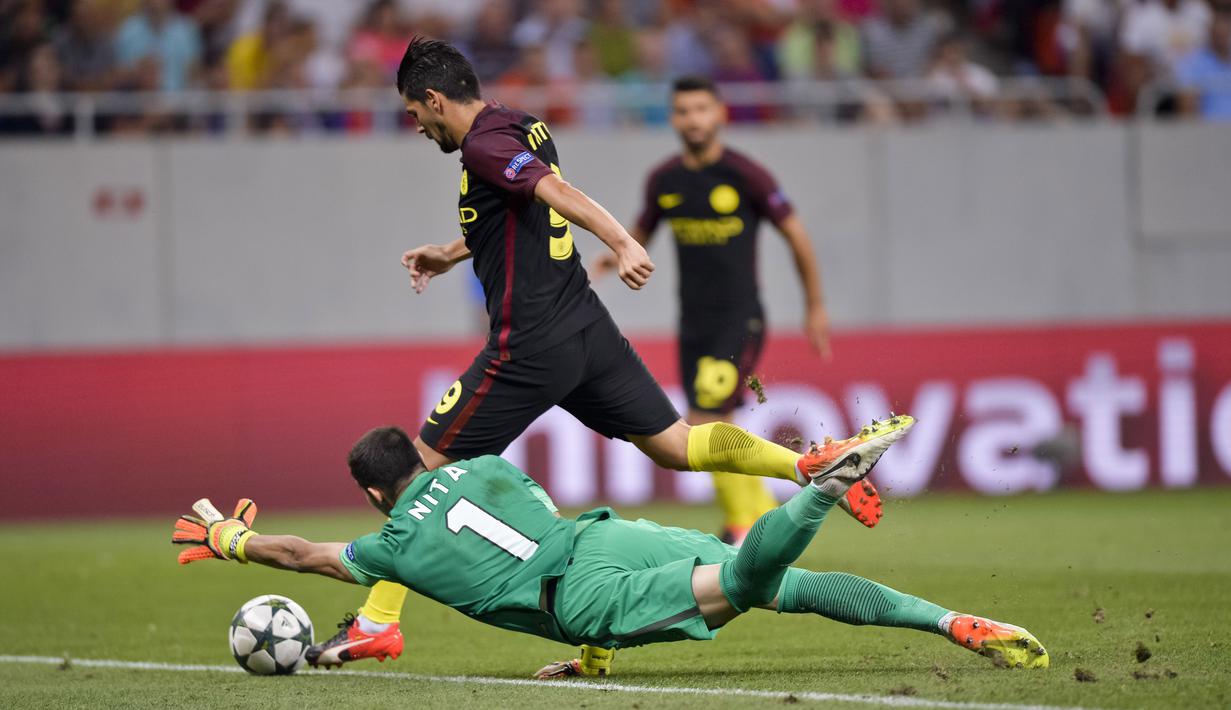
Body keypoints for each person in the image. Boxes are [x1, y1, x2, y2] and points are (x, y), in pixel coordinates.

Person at [306, 37, 887, 677]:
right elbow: (515, 214)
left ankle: (376, 624)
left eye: (415, 112)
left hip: (527, 343)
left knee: (415, 471)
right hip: (586, 326)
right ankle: (807, 465)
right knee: (675, 442)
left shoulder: (481, 145)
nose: (415, 124)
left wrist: (622, 240)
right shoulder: (519, 124)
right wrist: (451, 252)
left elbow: (553, 191)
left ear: (436, 99)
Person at [170, 421, 1050, 677]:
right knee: (793, 585)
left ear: (372, 490)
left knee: (746, 580)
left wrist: (230, 538)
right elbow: (531, 524)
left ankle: (819, 485)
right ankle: (949, 622)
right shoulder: (480, 465)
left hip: (578, 600)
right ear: (423, 459)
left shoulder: (390, 544)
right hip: (601, 537)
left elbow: (305, 556)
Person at [594, 76, 844, 546]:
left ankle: (741, 526)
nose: (693, 119)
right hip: (693, 323)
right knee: (713, 424)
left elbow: (797, 236)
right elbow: (641, 233)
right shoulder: (664, 180)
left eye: (701, 109)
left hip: (739, 318)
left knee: (703, 423)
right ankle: (763, 518)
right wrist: (617, 254)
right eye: (683, 111)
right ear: (673, 118)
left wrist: (815, 306)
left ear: (720, 115)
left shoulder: (747, 175)